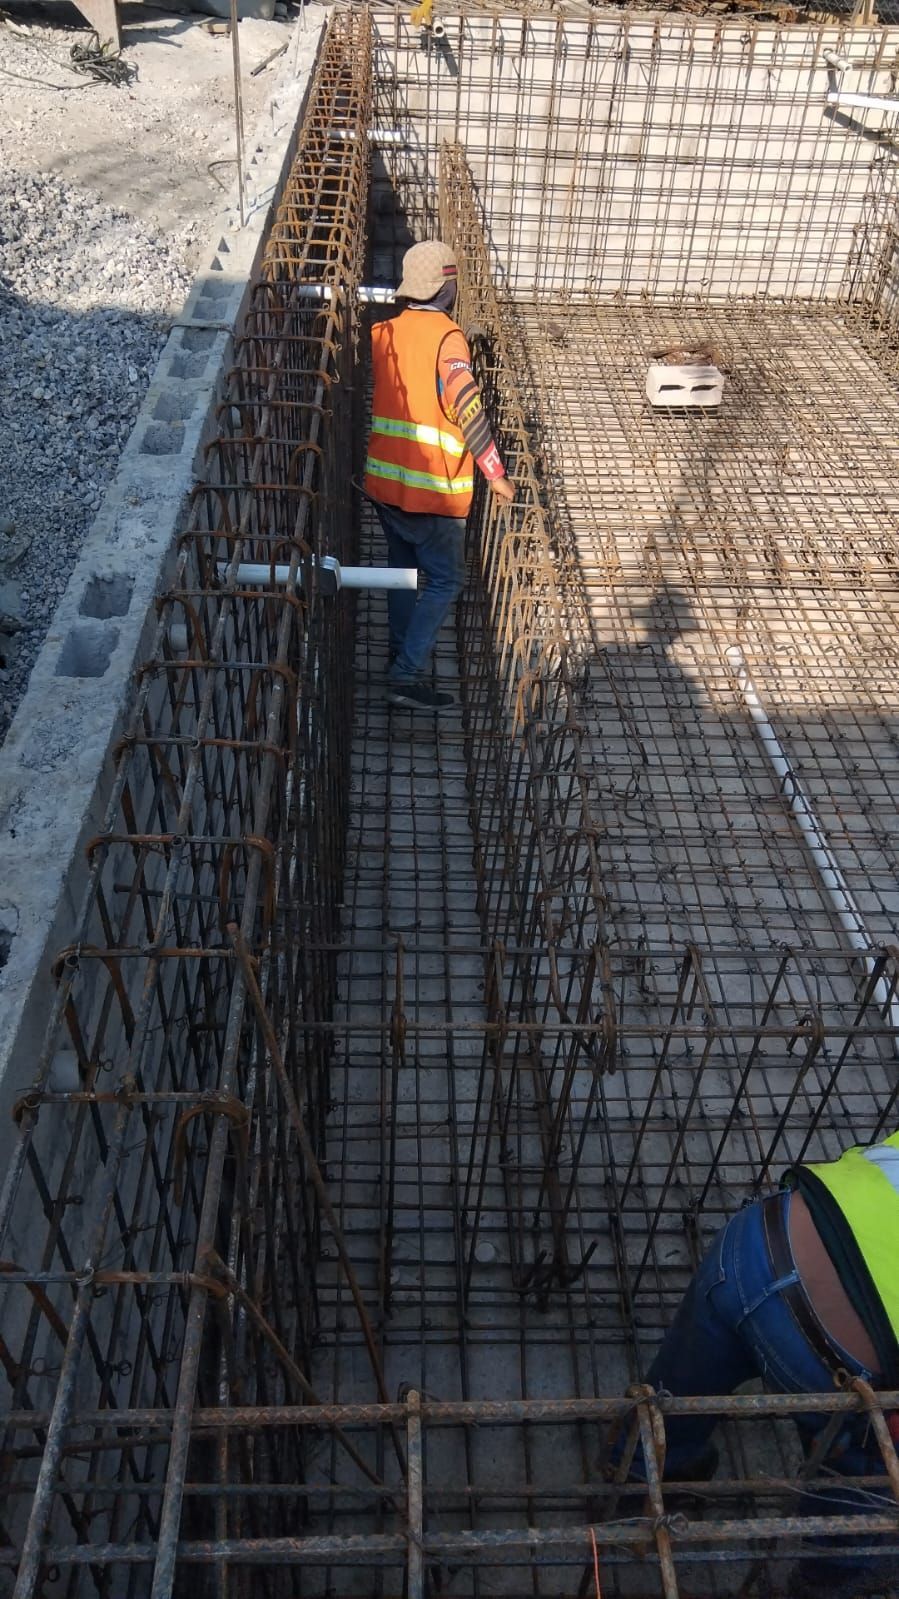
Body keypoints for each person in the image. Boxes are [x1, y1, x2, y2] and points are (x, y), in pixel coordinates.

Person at [608, 1129, 899, 1597]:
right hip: (826, 1363)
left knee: (677, 1388)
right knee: (865, 1467)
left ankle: (644, 1476)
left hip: (754, 1242)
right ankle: (833, 1575)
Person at [364, 239, 515, 713]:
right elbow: (466, 406)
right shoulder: (448, 339)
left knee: (403, 576)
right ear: (448, 286)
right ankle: (405, 675)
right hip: (434, 495)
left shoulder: (385, 332)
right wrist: (495, 473)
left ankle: (397, 656)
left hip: (386, 487)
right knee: (445, 582)